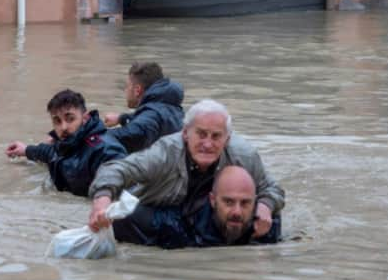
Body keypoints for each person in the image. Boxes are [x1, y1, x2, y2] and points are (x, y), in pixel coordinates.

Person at [87, 98, 284, 237]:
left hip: (208, 217)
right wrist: (101, 202)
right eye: (201, 134)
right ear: (185, 134)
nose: (207, 144)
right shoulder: (164, 153)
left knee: (271, 221)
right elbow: (115, 169)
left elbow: (272, 189)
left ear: (227, 139)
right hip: (163, 213)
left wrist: (265, 206)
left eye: (216, 136)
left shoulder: (244, 156)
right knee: (125, 219)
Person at [112, 165, 283, 249]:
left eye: (245, 203)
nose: (237, 212)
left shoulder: (266, 225)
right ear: (213, 200)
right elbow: (123, 216)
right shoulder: (177, 226)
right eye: (228, 202)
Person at [4, 89, 125, 197]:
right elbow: (50, 153)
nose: (63, 127)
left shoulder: (102, 148)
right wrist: (25, 150)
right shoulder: (65, 145)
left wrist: (104, 199)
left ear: (85, 118)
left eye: (70, 119)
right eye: (57, 121)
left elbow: (122, 172)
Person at [102, 61, 185, 153]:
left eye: (127, 86)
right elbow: (149, 120)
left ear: (137, 90)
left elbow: (133, 133)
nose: (125, 90)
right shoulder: (169, 107)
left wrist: (92, 136)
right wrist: (121, 118)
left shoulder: (151, 115)